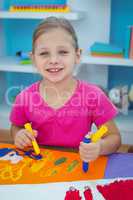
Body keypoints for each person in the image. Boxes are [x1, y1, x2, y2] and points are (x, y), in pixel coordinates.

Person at [10, 17, 121, 163]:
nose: (54, 60)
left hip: (77, 169)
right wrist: (19, 136)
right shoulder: (24, 98)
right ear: (34, 59)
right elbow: (15, 127)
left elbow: (114, 138)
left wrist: (100, 147)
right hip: (38, 167)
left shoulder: (94, 96)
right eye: (44, 53)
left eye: (62, 52)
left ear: (77, 55)